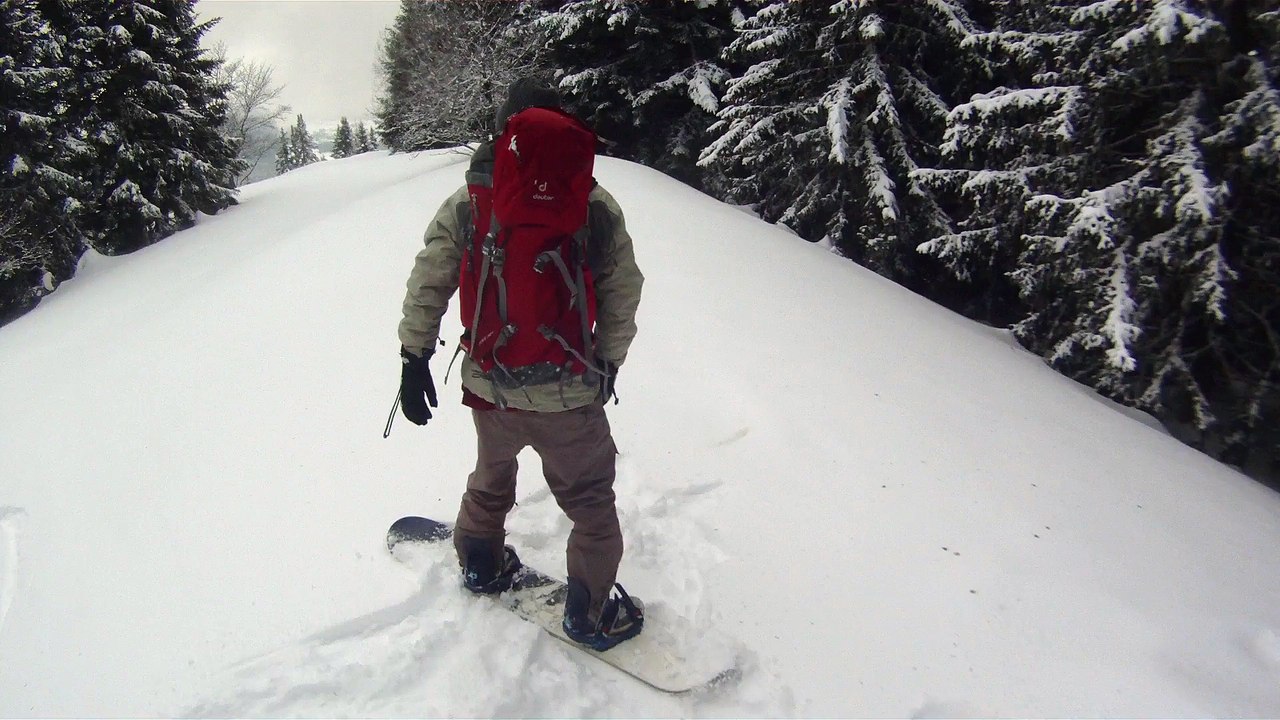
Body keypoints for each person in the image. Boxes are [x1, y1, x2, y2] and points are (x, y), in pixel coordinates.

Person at [396, 77, 645, 651]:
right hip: (569, 393)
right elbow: (623, 290)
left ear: (504, 130)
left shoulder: (469, 200)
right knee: (590, 503)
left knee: (491, 476)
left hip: (492, 384)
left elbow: (429, 279)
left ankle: (480, 563)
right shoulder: (592, 203)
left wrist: (414, 357)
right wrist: (607, 361)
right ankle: (589, 613)